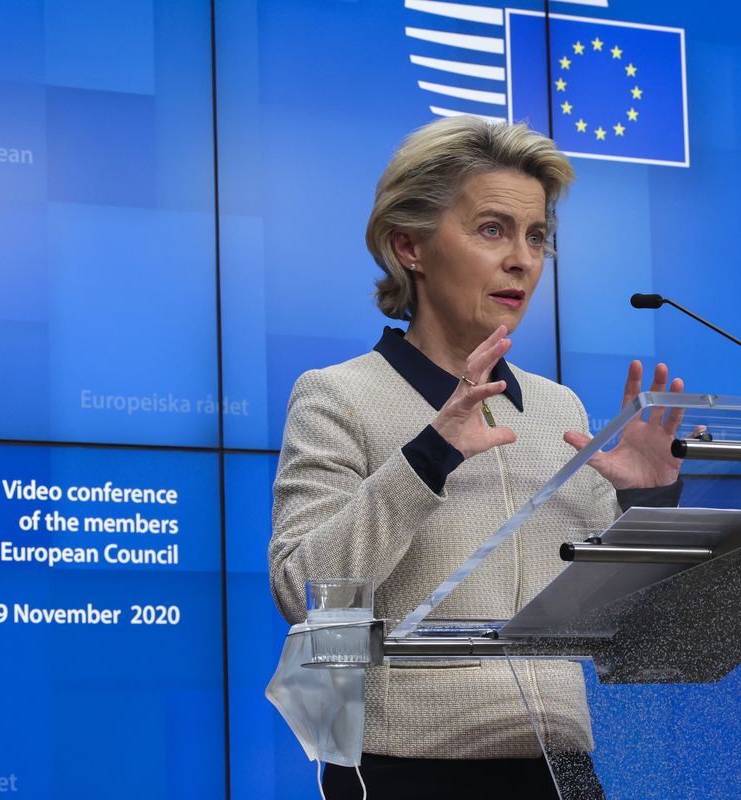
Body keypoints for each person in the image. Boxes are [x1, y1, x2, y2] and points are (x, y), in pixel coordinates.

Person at [269, 116, 686, 799]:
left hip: (562, 770)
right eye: (493, 229)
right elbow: (305, 590)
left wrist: (647, 503)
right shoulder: (337, 397)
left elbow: (628, 622)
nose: (522, 259)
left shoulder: (562, 411)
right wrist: (429, 455)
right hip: (406, 769)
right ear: (410, 246)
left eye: (537, 236)